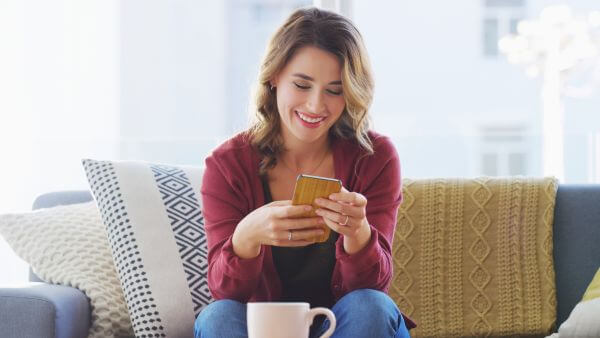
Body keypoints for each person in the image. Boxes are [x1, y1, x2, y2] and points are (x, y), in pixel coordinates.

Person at [196, 6, 414, 338]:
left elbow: (372, 287)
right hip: (267, 329)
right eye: (302, 84)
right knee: (218, 317)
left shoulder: (375, 157)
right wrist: (246, 237)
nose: (315, 105)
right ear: (274, 77)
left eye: (334, 90)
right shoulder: (228, 165)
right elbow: (227, 292)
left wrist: (359, 234)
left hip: (348, 325)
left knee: (370, 306)